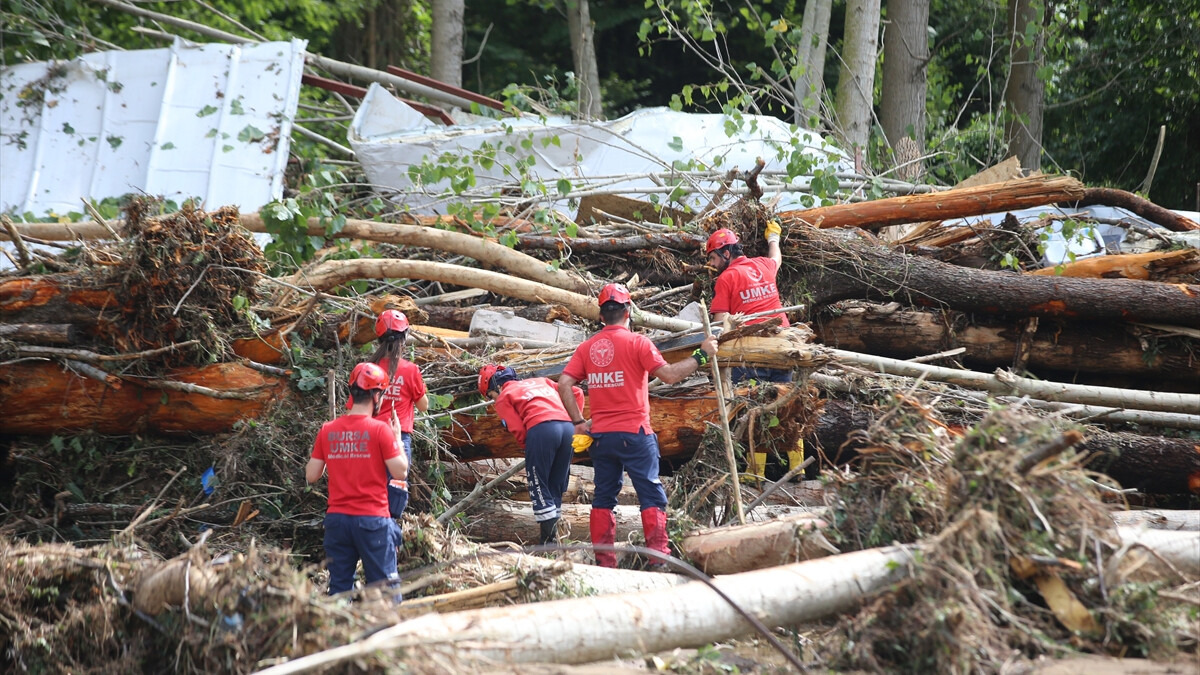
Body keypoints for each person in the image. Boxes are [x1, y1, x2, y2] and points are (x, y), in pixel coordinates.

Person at [557, 283, 717, 569]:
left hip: (602, 438)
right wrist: (702, 356)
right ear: (628, 311)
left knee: (604, 497)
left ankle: (605, 564)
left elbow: (565, 382)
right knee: (650, 494)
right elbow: (668, 376)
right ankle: (658, 559)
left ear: (601, 315)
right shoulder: (638, 342)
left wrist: (579, 422)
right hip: (635, 434)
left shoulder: (587, 347)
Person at [306, 362, 408, 596]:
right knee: (384, 591)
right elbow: (400, 471)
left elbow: (311, 475)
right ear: (376, 395)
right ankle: (385, 630)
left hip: (337, 522)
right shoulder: (380, 430)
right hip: (372, 521)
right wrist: (398, 439)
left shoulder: (327, 430)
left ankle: (339, 630)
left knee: (340, 589)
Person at [479, 364, 584, 545]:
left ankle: (547, 542)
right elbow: (577, 393)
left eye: (490, 395)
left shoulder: (504, 396)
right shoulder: (542, 381)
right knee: (555, 484)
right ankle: (556, 539)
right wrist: (574, 420)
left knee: (538, 483)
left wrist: (529, 446)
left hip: (541, 429)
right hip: (568, 429)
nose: (493, 399)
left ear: (496, 387)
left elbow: (518, 429)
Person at [705, 224, 792, 383]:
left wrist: (710, 359)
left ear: (726, 253)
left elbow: (720, 326)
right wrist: (773, 238)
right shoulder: (763, 264)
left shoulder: (726, 278)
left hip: (750, 354)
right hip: (783, 346)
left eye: (713, 258)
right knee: (782, 402)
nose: (711, 264)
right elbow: (777, 259)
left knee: (746, 404)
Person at [369, 310, 427, 516]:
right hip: (398, 439)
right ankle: (389, 536)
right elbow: (423, 406)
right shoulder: (411, 370)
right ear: (405, 338)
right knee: (395, 492)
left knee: (371, 492)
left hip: (370, 436)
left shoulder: (368, 368)